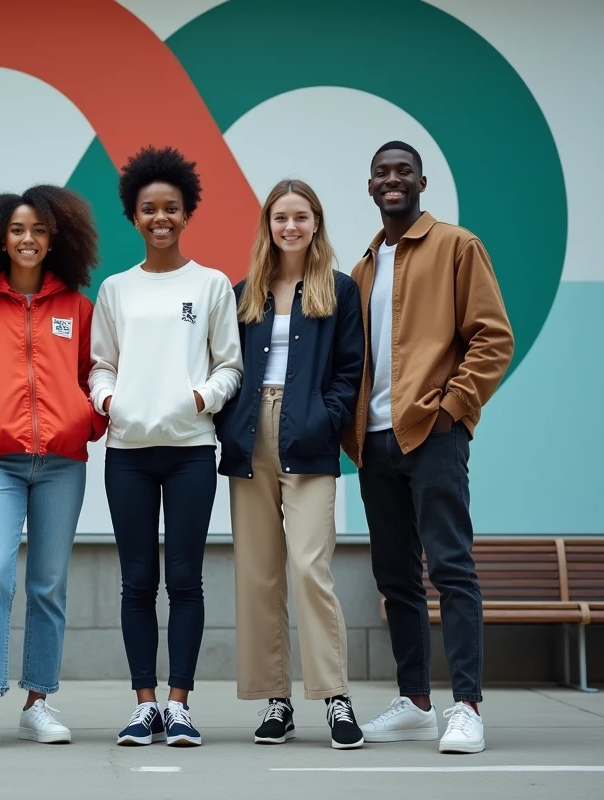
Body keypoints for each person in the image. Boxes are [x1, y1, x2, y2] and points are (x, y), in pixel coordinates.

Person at [347, 142, 514, 755]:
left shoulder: (456, 246)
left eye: (402, 171)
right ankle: (416, 701)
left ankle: (466, 706)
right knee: (396, 577)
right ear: (370, 186)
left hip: (432, 436)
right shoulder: (363, 266)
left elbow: (493, 337)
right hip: (375, 440)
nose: (392, 180)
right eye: (382, 173)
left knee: (450, 567)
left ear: (421, 180)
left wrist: (452, 408)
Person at [89, 146, 243, 747]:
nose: (160, 218)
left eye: (171, 209)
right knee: (135, 581)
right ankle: (143, 704)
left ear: (186, 214)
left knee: (184, 579)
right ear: (133, 215)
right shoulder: (116, 290)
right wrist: (108, 403)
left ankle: (179, 704)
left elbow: (229, 367)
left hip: (189, 453)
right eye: (149, 209)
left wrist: (200, 400)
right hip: (126, 453)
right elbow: (101, 365)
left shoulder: (209, 286)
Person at [0, 185, 105, 751]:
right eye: (17, 230)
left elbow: (96, 375)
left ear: (55, 237)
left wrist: (86, 417)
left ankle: (39, 702)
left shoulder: (78, 309)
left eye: (38, 230)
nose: (28, 239)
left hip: (63, 463)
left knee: (48, 584)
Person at [215, 179, 366, 749]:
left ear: (316, 223)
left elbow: (350, 371)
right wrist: (231, 425)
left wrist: (322, 419)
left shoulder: (339, 291)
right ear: (268, 225)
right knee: (258, 573)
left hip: (308, 437)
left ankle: (334, 698)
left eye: (301, 217)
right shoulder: (243, 292)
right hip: (250, 436)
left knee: (309, 567)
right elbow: (225, 365)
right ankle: (275, 701)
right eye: (281, 217)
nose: (290, 227)